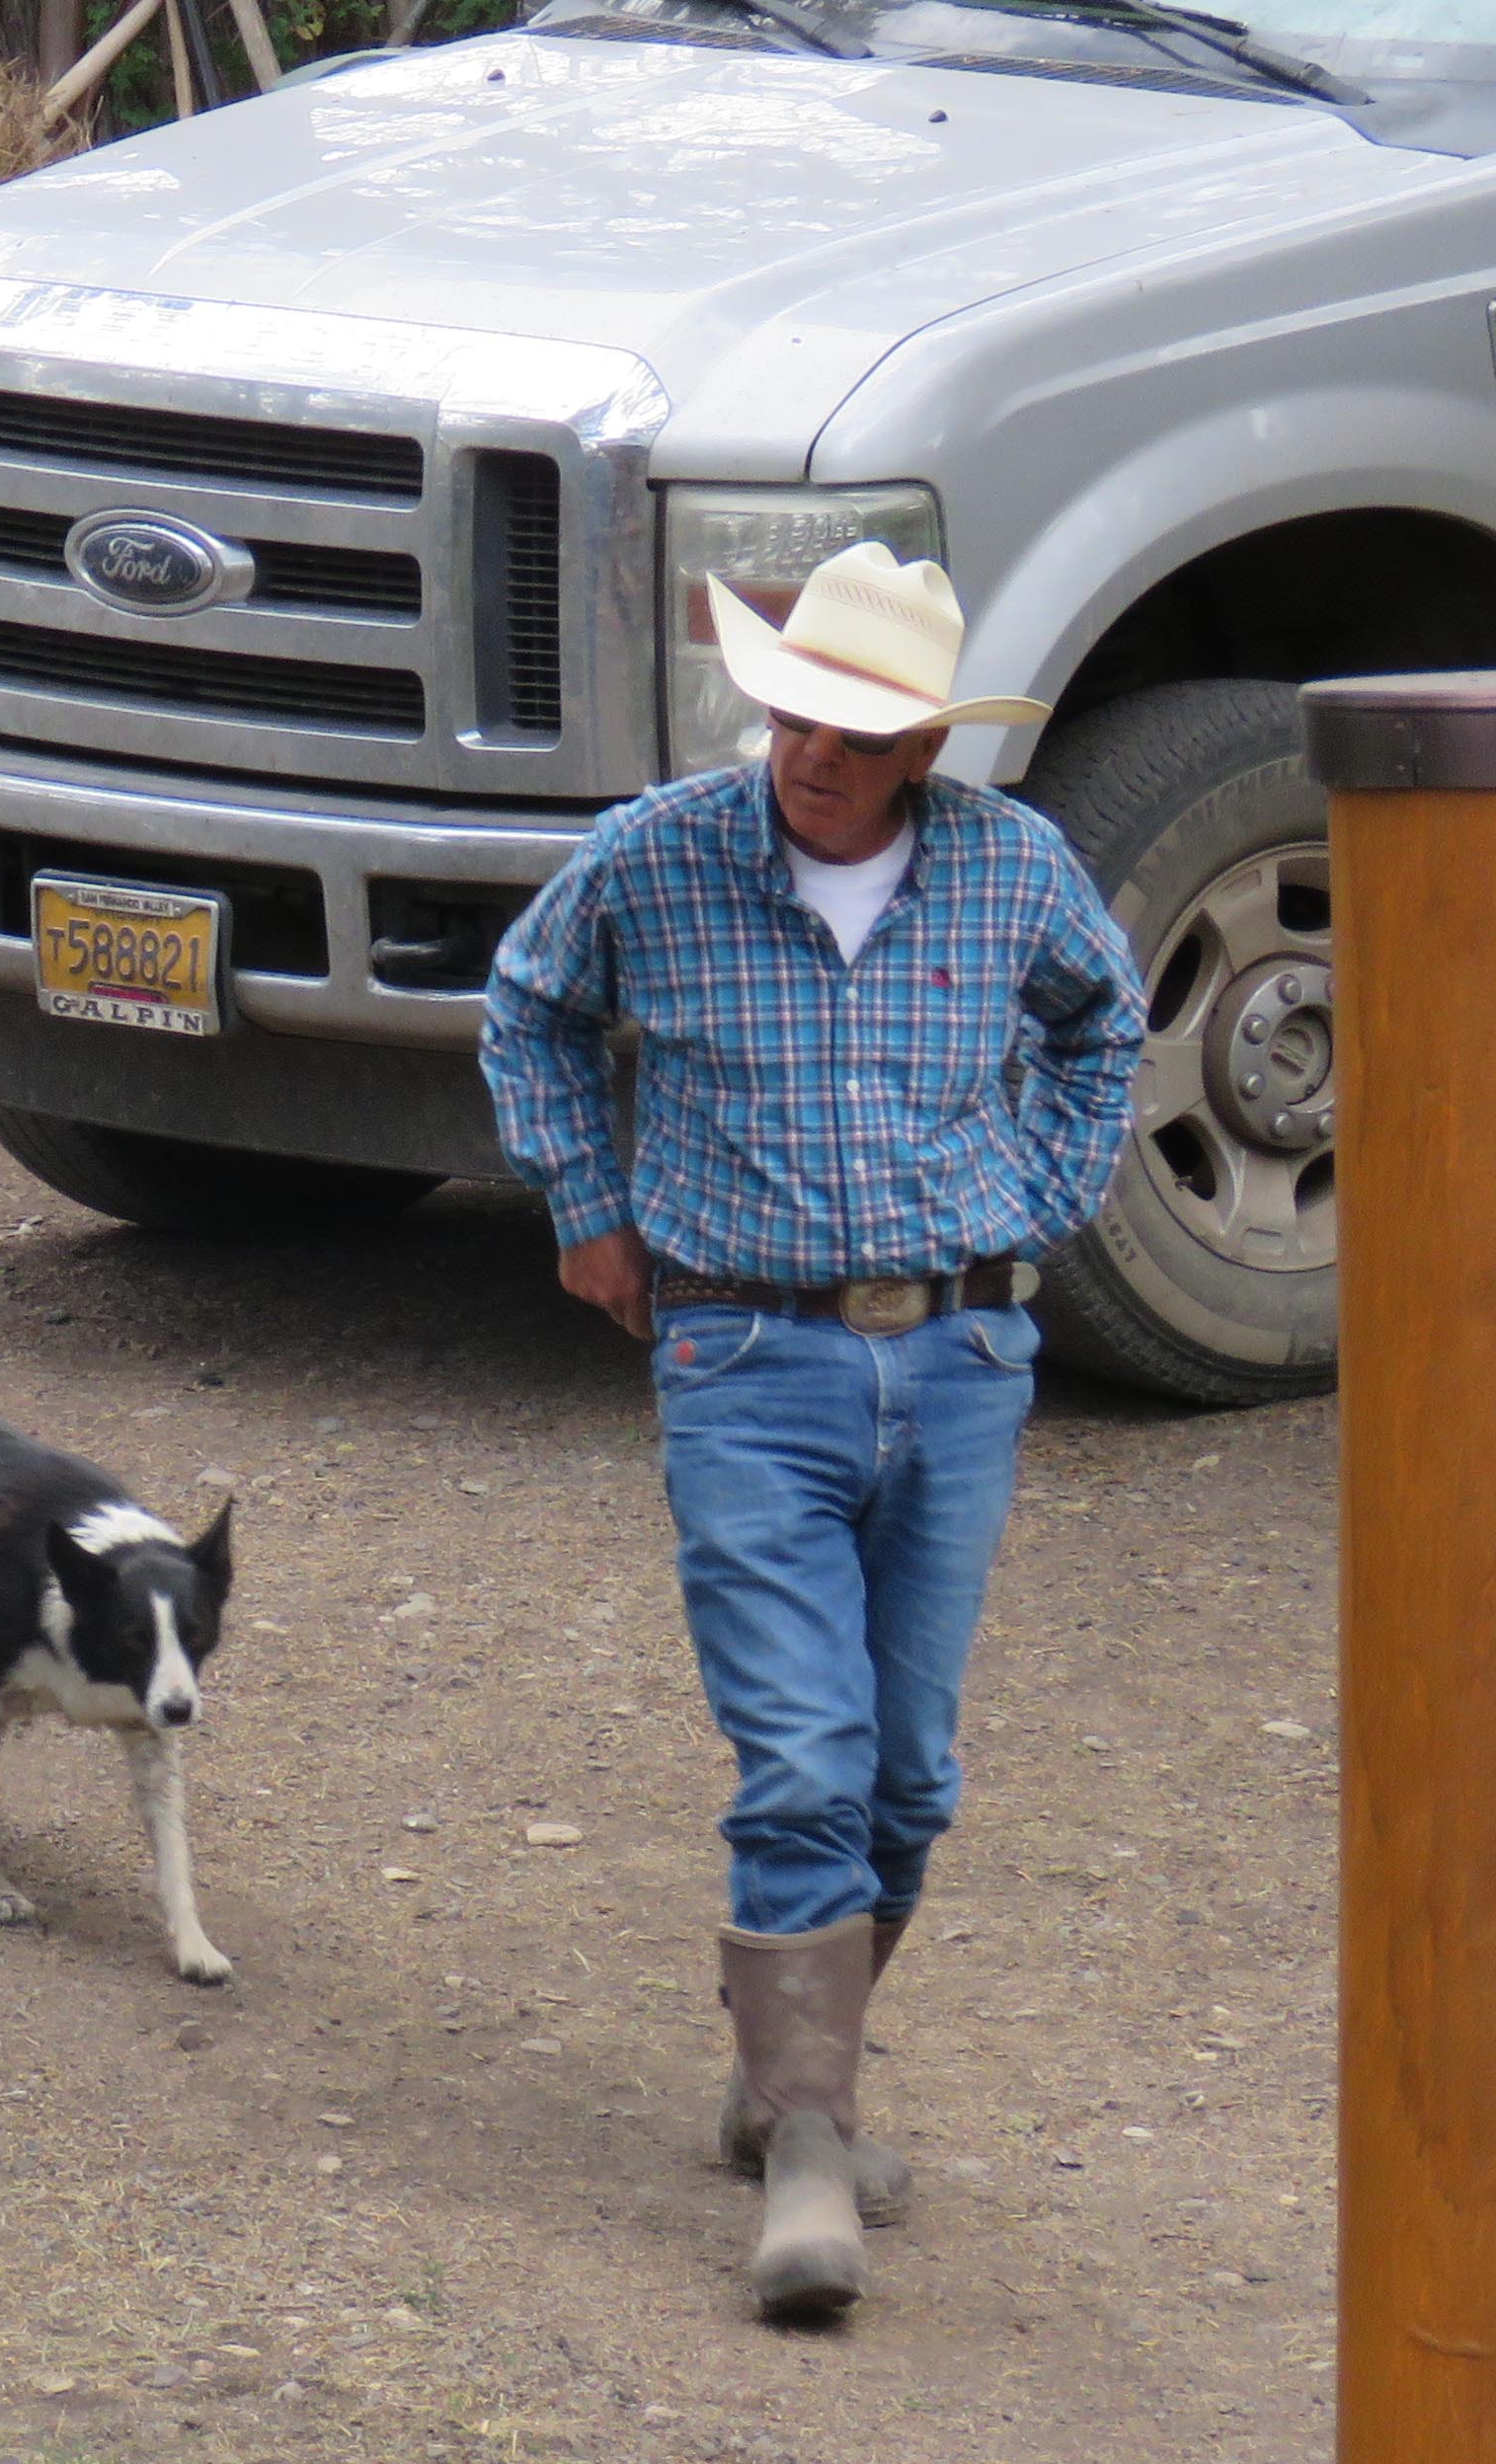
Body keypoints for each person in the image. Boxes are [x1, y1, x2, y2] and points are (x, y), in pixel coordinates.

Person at [479, 540, 1141, 2321]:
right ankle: (806, 2153)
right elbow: (529, 1009)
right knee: (804, 1757)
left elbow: (1107, 1026)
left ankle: (795, 2088)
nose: (809, 755)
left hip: (958, 1358)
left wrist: (1044, 1203)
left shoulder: (1016, 872)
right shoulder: (660, 854)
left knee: (909, 1773)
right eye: (793, 717)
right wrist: (584, 1203)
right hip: (742, 1363)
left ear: (927, 744)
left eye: (854, 730)